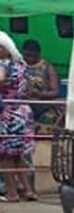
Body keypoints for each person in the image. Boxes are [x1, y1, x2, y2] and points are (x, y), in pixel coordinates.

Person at [0, 32, 35, 202]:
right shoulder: (21, 65)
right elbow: (28, 90)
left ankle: (12, 193)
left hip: (7, 113)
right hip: (23, 111)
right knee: (19, 155)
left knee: (6, 155)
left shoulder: (3, 64)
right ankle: (28, 190)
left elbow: (0, 79)